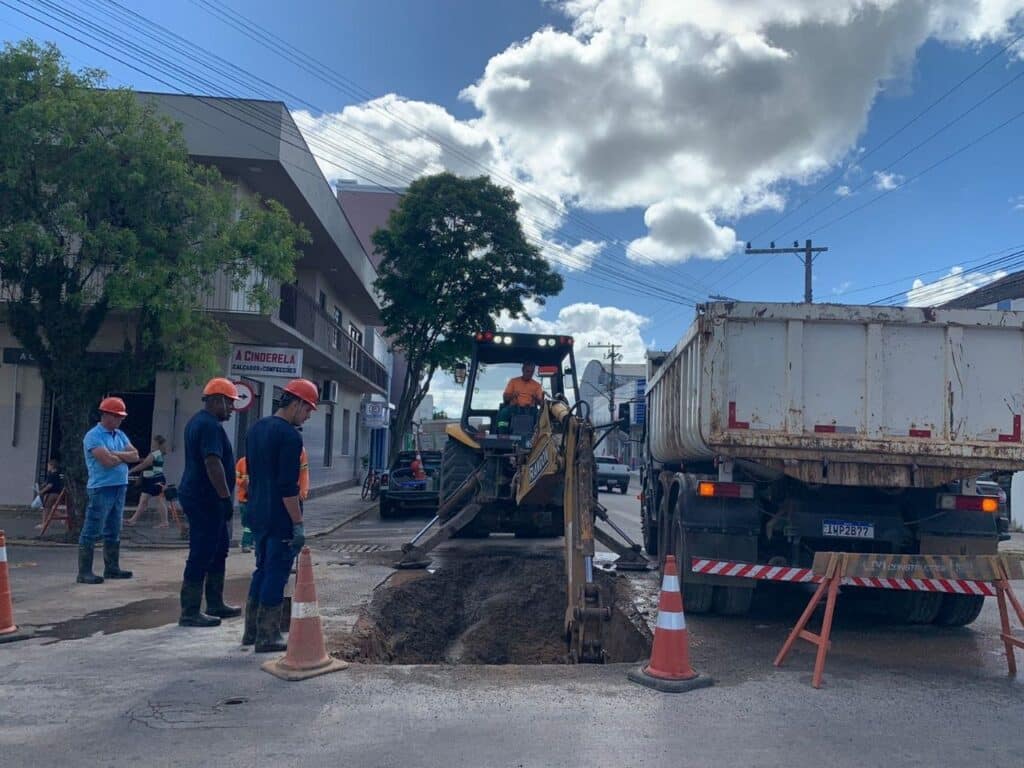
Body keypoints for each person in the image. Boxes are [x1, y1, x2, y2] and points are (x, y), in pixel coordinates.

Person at [241, 378, 318, 653]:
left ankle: (251, 631)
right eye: (308, 409)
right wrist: (297, 523)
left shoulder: (255, 429)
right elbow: (288, 486)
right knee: (276, 572)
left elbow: (253, 475)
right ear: (296, 403)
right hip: (279, 516)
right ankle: (268, 635)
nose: (308, 416)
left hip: (257, 512)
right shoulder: (289, 436)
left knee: (261, 569)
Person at [176, 377, 242, 628]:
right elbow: (212, 463)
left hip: (204, 497)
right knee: (202, 551)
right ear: (217, 401)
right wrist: (225, 497)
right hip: (205, 498)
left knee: (218, 549)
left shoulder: (202, 422)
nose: (233, 408)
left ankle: (215, 602)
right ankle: (190, 611)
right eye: (230, 403)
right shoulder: (209, 427)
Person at [78, 397, 139, 584]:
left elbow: (135, 455)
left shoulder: (119, 435)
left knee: (113, 528)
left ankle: (112, 568)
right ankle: (84, 572)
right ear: (106, 415)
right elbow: (107, 462)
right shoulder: (93, 436)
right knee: (92, 528)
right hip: (101, 488)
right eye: (117, 416)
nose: (120, 420)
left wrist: (116, 454)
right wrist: (122, 457)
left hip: (119, 486)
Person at [125, 435, 169, 527]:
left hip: (155, 480)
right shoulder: (158, 453)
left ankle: (164, 522)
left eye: (153, 442)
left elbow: (145, 464)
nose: (152, 443)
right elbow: (147, 462)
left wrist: (132, 470)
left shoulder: (155, 453)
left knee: (159, 500)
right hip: (152, 480)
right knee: (144, 500)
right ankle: (133, 520)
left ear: (157, 443)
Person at [498, 362, 545, 433]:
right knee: (504, 413)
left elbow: (541, 403)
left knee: (542, 417)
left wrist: (535, 398)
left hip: (530, 410)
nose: (530, 374)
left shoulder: (537, 385)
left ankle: (538, 436)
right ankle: (502, 435)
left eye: (532, 372)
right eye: (528, 371)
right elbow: (505, 398)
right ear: (523, 370)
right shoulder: (513, 381)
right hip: (514, 408)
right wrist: (513, 395)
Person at [35, 458, 63, 530]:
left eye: (48, 465)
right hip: (58, 493)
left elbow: (49, 485)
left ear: (52, 466)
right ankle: (62, 518)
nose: (48, 467)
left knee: (46, 508)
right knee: (51, 509)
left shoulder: (52, 474)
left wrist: (41, 491)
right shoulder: (59, 474)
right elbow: (49, 482)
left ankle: (45, 524)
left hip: (52, 494)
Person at [235, 456, 252, 553]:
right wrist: (244, 481)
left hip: (256, 498)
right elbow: (237, 478)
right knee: (246, 522)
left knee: (249, 523)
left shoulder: (262, 459)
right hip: (243, 498)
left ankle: (246, 543)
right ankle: (250, 541)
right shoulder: (241, 462)